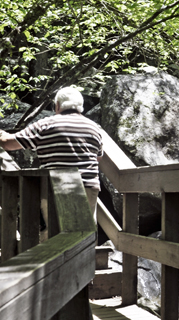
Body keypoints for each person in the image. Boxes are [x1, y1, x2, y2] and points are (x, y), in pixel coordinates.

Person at [0, 86, 103, 222]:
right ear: (80, 106)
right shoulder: (94, 128)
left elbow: (8, 143)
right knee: (85, 232)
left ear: (57, 106)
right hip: (88, 186)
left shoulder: (46, 125)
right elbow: (98, 157)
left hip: (57, 186)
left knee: (54, 232)